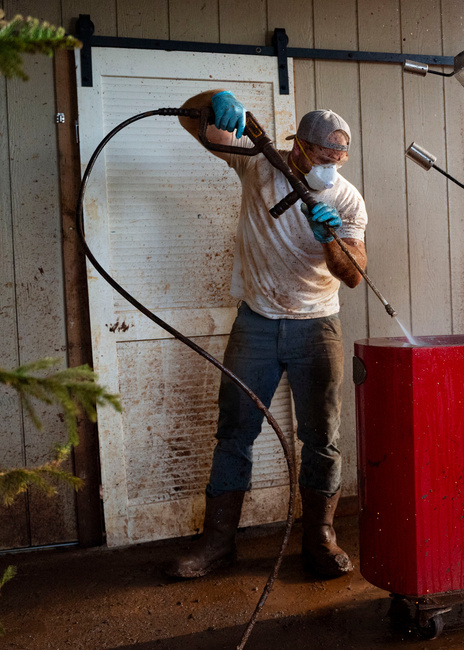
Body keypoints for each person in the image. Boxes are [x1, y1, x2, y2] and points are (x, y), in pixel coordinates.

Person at [167, 90, 367, 580]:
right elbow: (187, 118)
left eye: (339, 160)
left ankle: (320, 540)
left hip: (317, 326)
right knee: (234, 433)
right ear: (298, 146)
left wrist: (333, 239)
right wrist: (215, 99)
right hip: (255, 322)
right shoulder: (257, 165)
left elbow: (355, 273)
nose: (330, 169)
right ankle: (218, 545)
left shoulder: (344, 197)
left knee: (321, 438)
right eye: (323, 158)